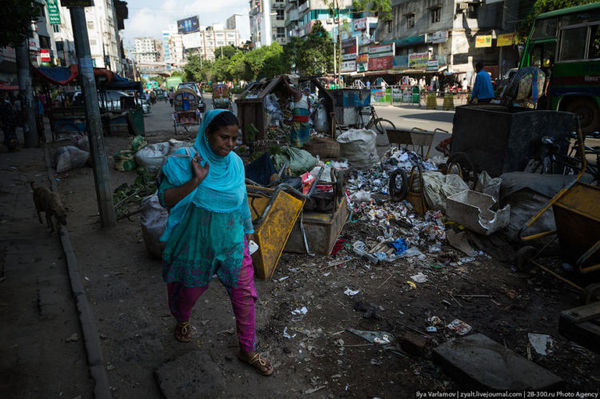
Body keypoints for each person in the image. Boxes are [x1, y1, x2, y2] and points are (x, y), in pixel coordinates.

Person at [158, 109, 273, 376]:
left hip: (232, 243)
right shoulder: (184, 163)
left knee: (244, 297)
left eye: (234, 139)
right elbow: (166, 199)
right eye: (224, 138)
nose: (230, 145)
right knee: (187, 293)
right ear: (207, 133)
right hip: (197, 244)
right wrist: (197, 180)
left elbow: (242, 201)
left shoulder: (235, 164)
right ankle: (182, 320)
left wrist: (247, 232)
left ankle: (248, 349)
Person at [282, 77, 311, 148]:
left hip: (298, 115)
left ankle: (296, 145)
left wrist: (285, 80)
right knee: (304, 131)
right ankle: (305, 144)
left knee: (296, 131)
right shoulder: (308, 99)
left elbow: (289, 89)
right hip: (305, 117)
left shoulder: (298, 94)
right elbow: (309, 110)